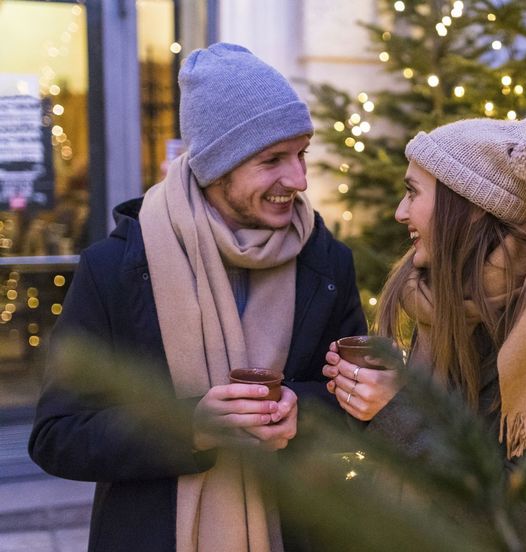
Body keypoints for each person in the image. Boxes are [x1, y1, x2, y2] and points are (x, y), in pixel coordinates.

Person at [29, 43, 366, 552]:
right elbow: (58, 437)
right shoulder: (114, 269)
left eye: (301, 154)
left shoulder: (327, 264)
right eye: (272, 159)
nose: (297, 180)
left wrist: (305, 410)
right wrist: (190, 428)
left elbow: (354, 402)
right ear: (215, 167)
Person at [322, 117, 526, 468]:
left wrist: (398, 410)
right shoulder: (444, 295)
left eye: (413, 192)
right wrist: (382, 397)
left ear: (467, 205)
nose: (400, 212)